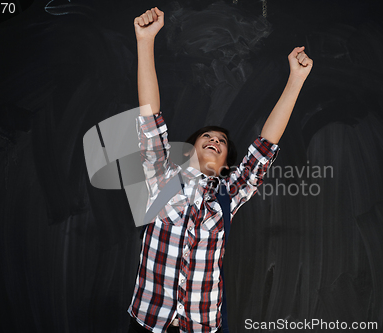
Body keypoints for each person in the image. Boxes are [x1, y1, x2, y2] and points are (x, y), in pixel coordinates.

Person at [128, 7, 313, 333]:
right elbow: (149, 117)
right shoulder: (161, 178)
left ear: (226, 163)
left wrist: (295, 80)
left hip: (200, 327)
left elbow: (265, 145)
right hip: (148, 322)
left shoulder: (230, 194)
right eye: (206, 137)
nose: (214, 139)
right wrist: (145, 42)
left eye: (221, 141)